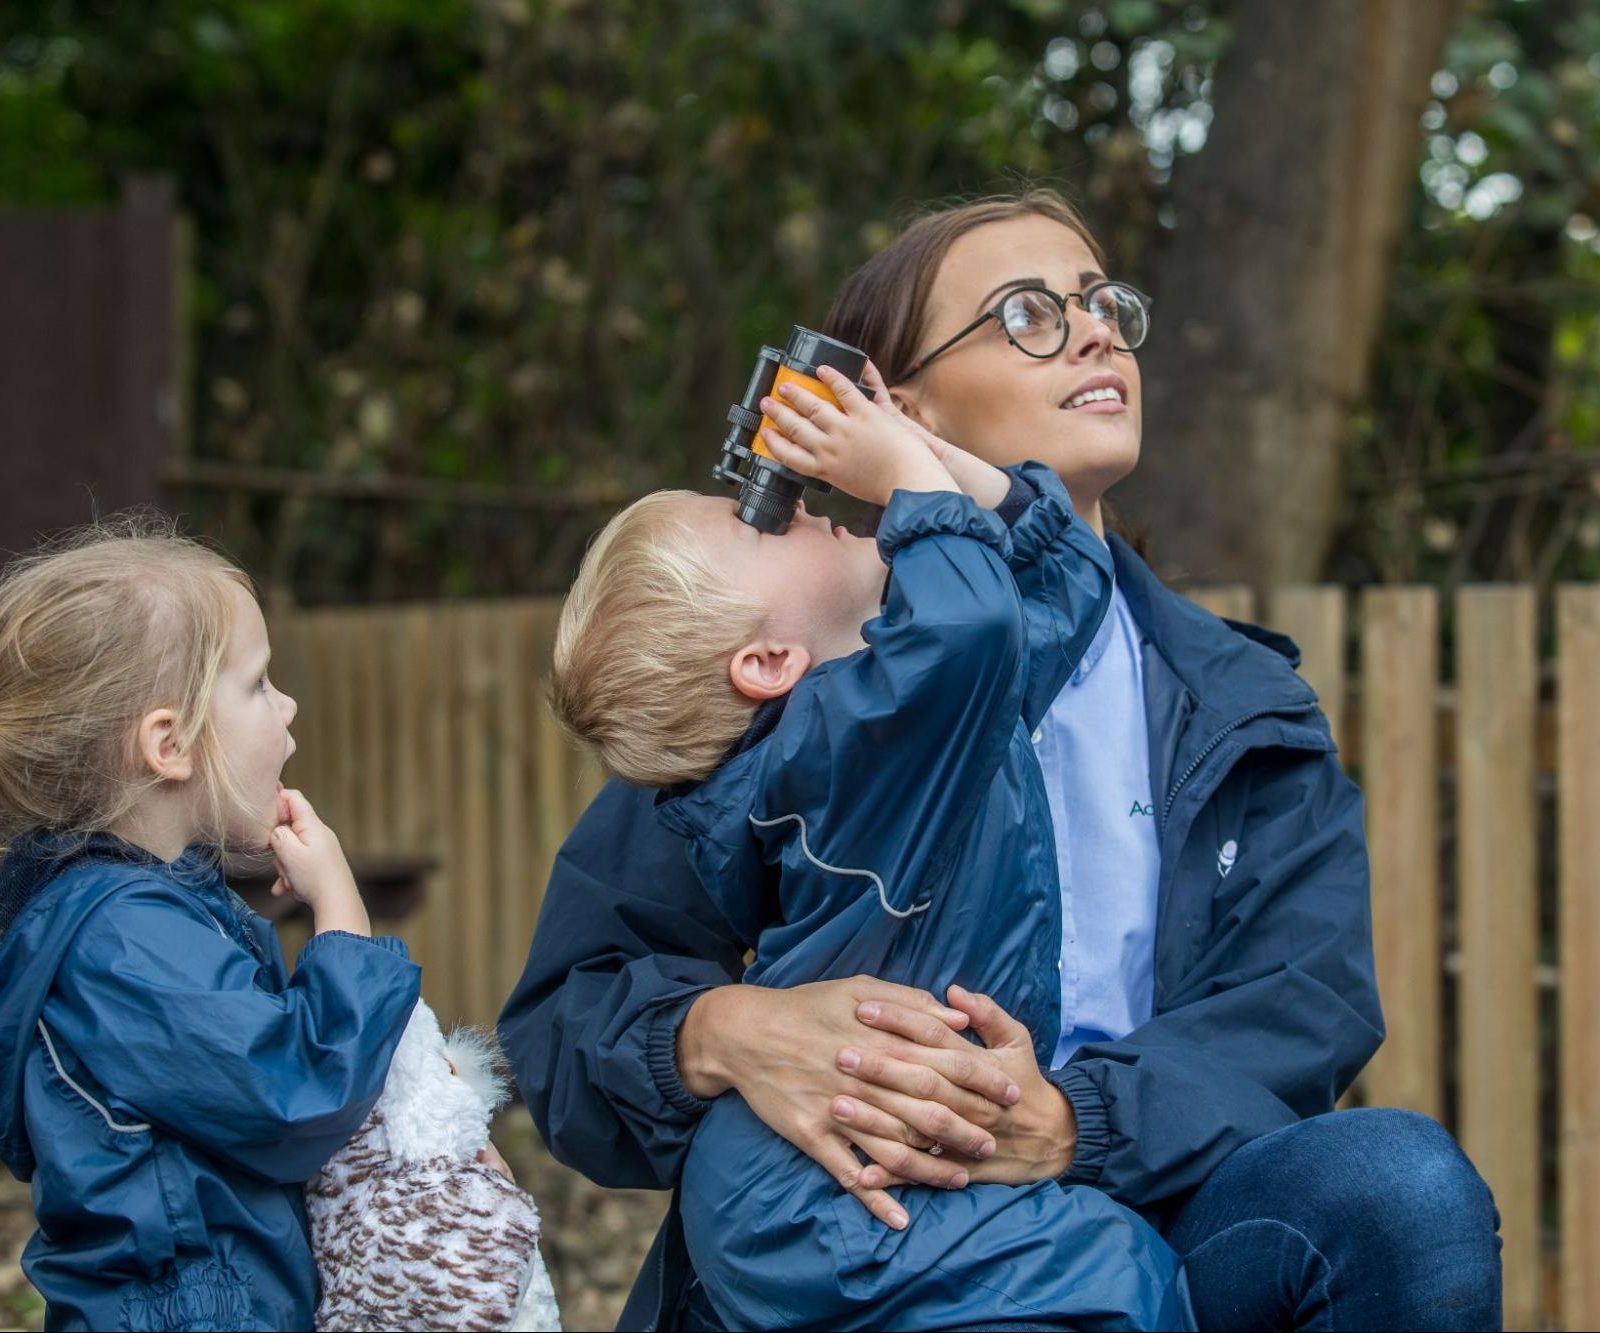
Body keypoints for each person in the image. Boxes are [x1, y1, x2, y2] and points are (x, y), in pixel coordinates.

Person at [500, 190, 1503, 1332]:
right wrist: (726, 1033)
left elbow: (1302, 1004)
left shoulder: (1243, 700)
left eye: (1101, 302)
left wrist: (1073, 1123)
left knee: (1401, 1189)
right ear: (893, 401)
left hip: (1143, 1210)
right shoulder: (819, 682)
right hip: (864, 1237)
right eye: (1025, 312)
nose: (1093, 331)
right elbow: (566, 1019)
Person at [547, 357, 1192, 1331]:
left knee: (1102, 1276)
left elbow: (1067, 584)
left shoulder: (920, 716)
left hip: (819, 1171)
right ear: (768, 663)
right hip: (808, 1187)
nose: (798, 508)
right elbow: (971, 617)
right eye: (758, 524)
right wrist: (899, 471)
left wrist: (934, 461)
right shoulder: (838, 741)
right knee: (1121, 1275)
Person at [0, 524, 421, 1331]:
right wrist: (343, 921)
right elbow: (295, 1092)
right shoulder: (122, 944)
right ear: (170, 743)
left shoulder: (140, 915)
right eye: (259, 683)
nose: (289, 702)